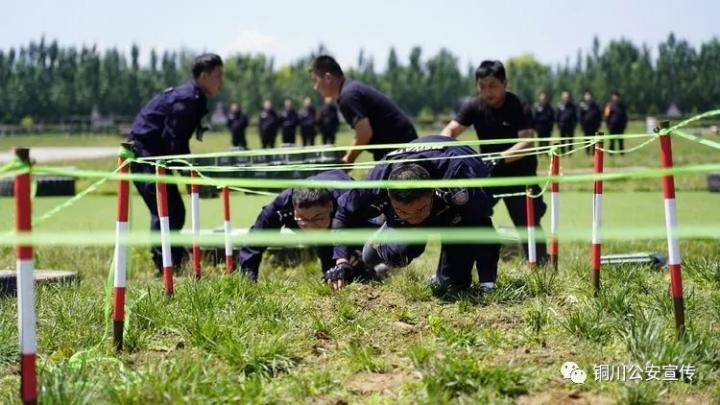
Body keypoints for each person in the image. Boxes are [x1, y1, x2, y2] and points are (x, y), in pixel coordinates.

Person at [326, 135, 499, 292]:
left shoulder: (460, 179)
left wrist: (487, 283)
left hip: (451, 205)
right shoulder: (376, 183)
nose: (415, 218)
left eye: (420, 210)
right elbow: (342, 214)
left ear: (432, 194)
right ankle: (383, 235)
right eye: (403, 211)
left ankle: (443, 277)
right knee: (394, 255)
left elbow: (482, 225)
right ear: (388, 196)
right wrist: (341, 261)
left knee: (454, 285)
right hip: (409, 208)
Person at [441, 60, 548, 264]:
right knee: (469, 214)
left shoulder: (518, 105)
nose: (487, 91)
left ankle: (541, 268)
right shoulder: (474, 105)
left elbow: (528, 142)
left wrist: (501, 158)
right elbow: (450, 130)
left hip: (520, 176)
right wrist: (444, 148)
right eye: (482, 87)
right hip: (489, 175)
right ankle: (459, 269)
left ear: (504, 83)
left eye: (492, 86)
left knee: (528, 223)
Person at [127, 53, 223, 275]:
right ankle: (166, 267)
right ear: (204, 75)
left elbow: (174, 143)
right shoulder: (187, 99)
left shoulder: (194, 96)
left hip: (156, 155)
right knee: (167, 210)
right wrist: (189, 175)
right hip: (146, 155)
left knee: (171, 210)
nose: (222, 81)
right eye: (218, 76)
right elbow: (175, 141)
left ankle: (172, 264)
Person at [238, 170, 381, 282]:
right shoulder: (279, 208)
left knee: (356, 258)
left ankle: (373, 271)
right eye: (304, 219)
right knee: (332, 271)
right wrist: (248, 283)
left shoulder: (349, 199)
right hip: (326, 226)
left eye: (317, 218)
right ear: (294, 210)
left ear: (330, 207)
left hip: (350, 218)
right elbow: (253, 245)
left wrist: (354, 256)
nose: (312, 226)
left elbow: (377, 226)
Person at [309, 55, 417, 162]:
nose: (315, 87)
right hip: (394, 149)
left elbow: (365, 133)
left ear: (328, 78)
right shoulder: (349, 90)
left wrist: (348, 160)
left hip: (401, 151)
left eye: (315, 81)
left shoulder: (348, 96)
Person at [604, 90, 628, 154]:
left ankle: (622, 153)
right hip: (612, 127)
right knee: (612, 141)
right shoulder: (609, 105)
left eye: (617, 96)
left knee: (621, 142)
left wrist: (624, 125)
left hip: (620, 127)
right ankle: (611, 153)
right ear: (612, 97)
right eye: (614, 96)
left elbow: (625, 117)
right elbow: (606, 116)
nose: (615, 98)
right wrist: (608, 125)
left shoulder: (622, 106)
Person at [579, 91, 602, 156]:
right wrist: (581, 125)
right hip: (586, 127)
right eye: (586, 96)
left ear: (591, 97)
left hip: (594, 126)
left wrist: (599, 123)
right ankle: (587, 153)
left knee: (595, 141)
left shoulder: (596, 105)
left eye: (589, 96)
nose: (588, 97)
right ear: (584, 97)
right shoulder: (583, 106)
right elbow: (581, 117)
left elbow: (599, 115)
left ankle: (594, 154)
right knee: (587, 141)